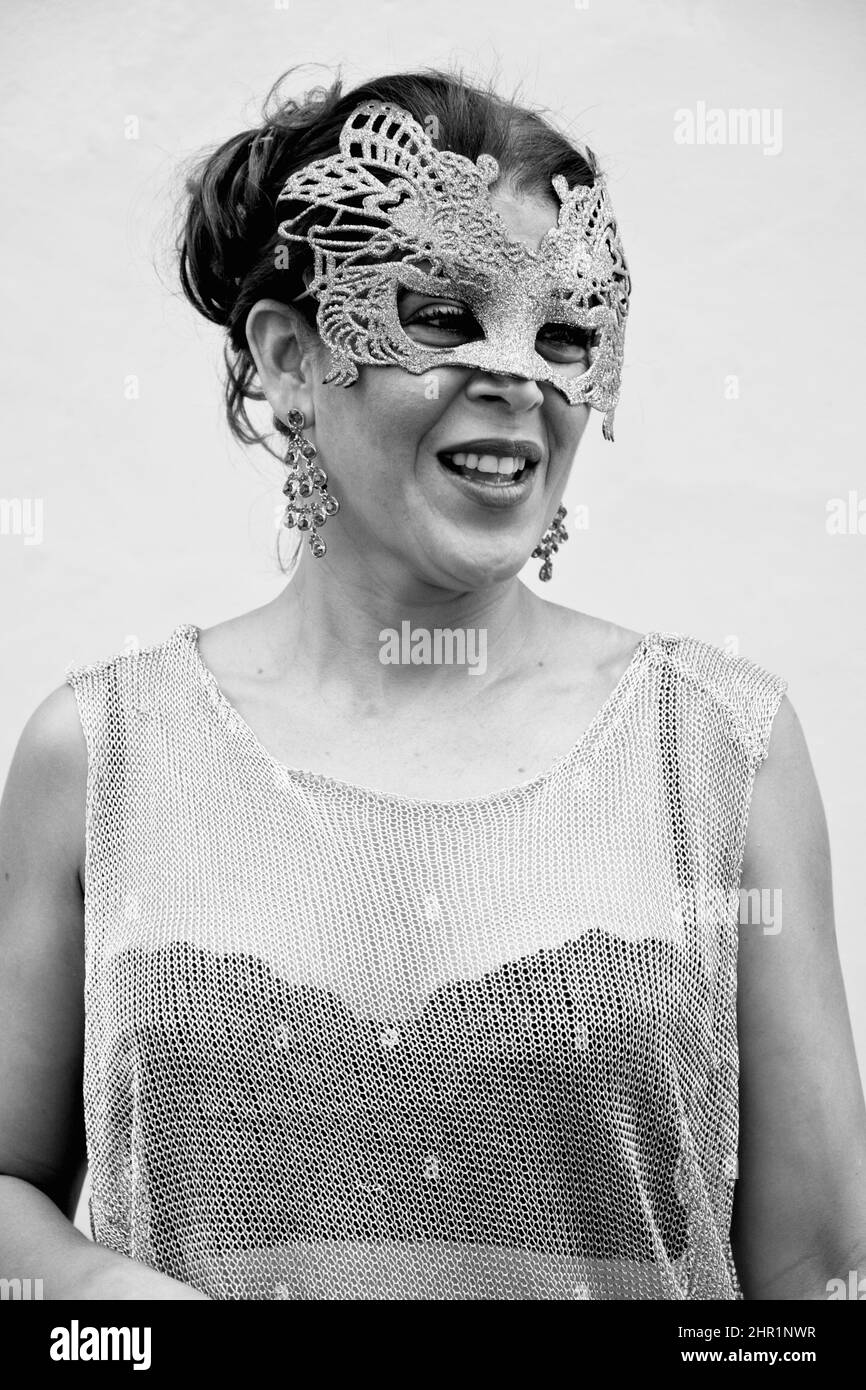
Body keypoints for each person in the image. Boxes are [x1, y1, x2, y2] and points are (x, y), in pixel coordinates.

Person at [1, 68, 864, 1302]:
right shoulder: (98, 754)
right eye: (444, 316)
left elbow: (820, 1273)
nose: (515, 374)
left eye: (564, 332)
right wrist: (100, 1304)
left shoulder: (722, 748)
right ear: (290, 356)